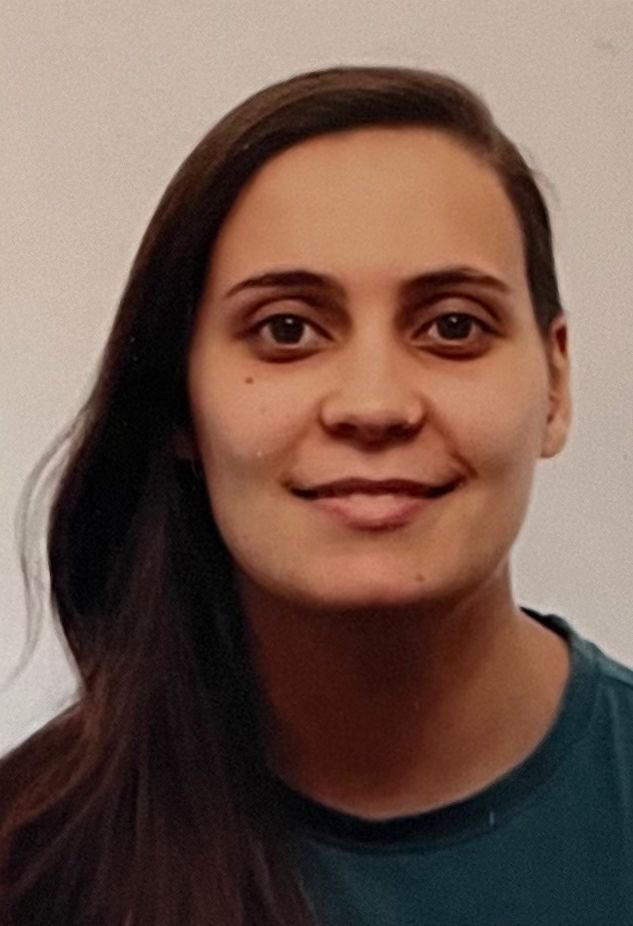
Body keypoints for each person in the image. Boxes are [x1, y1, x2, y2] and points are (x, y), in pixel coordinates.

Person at [1, 64, 632, 926]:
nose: (373, 405)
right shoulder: (30, 863)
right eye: (287, 330)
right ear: (179, 402)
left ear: (554, 385)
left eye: (452, 326)